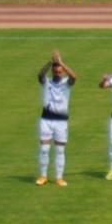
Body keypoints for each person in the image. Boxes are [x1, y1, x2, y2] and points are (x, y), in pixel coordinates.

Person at [35, 49, 76, 186]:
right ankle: (43, 176)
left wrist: (61, 63)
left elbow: (74, 77)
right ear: (52, 71)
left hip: (61, 121)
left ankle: (59, 177)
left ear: (63, 72)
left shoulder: (67, 83)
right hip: (46, 120)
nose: (58, 73)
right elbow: (40, 75)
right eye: (56, 71)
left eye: (60, 71)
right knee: (44, 149)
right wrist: (50, 62)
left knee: (60, 150)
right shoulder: (47, 82)